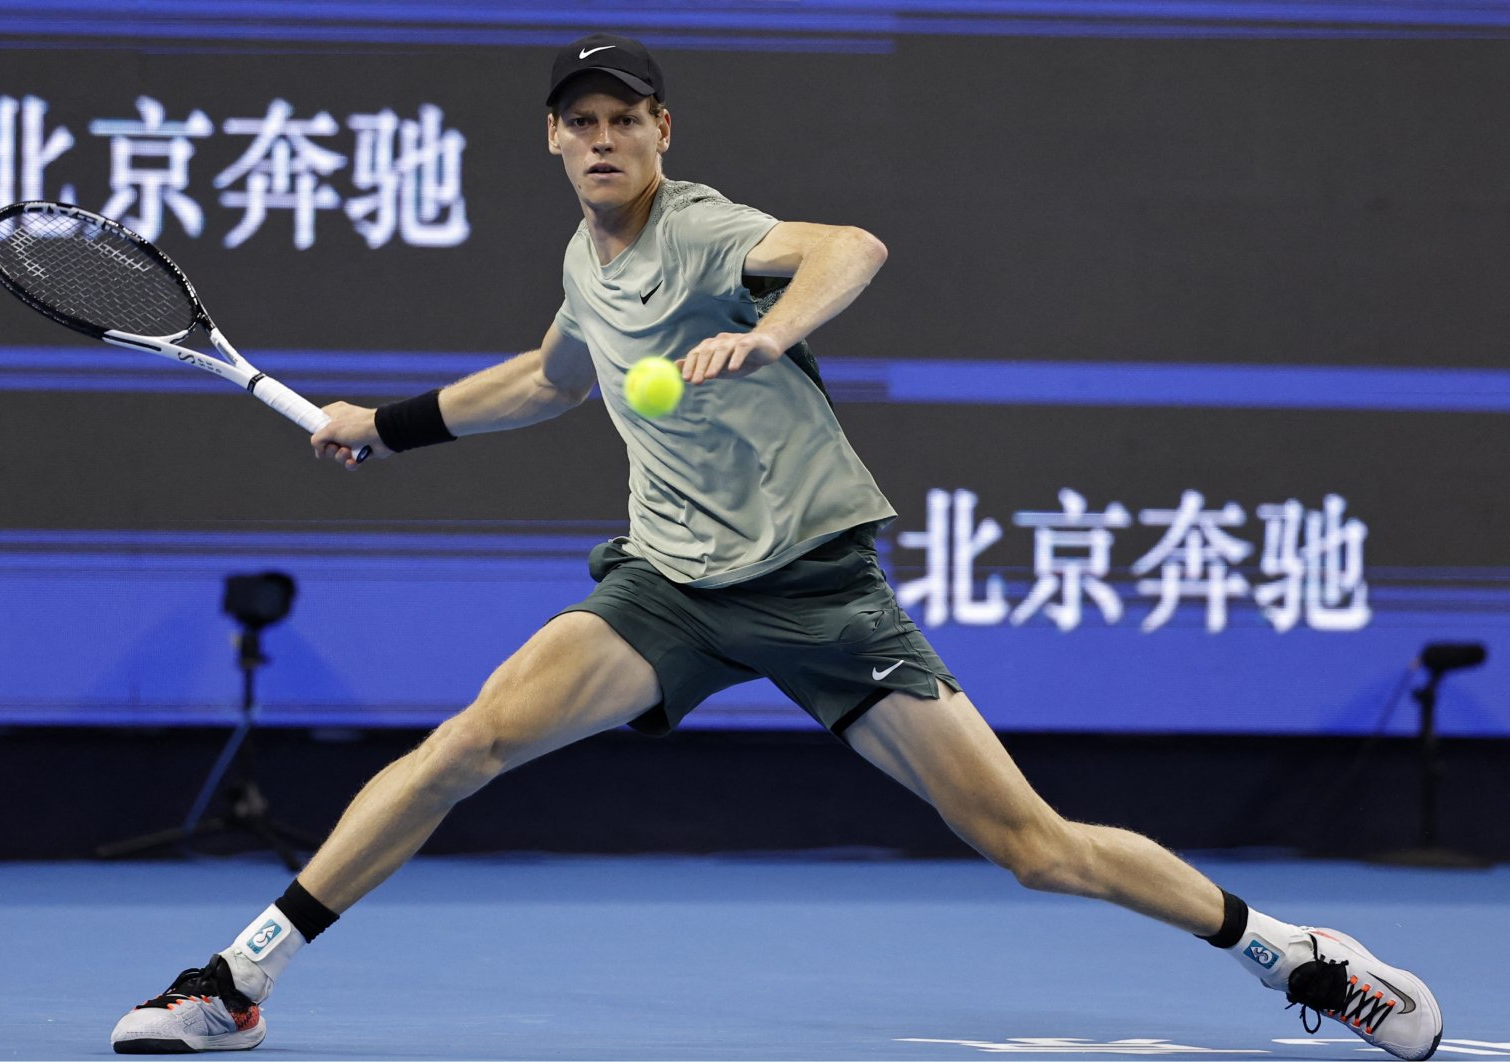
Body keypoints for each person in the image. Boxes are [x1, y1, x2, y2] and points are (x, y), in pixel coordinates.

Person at [109, 33, 1443, 1060]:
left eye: (625, 118)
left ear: (661, 130)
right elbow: (550, 376)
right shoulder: (587, 258)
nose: (603, 139)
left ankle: (1293, 955)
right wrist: (383, 428)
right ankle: (238, 980)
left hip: (817, 594)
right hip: (669, 589)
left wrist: (775, 326)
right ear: (556, 146)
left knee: (1037, 847)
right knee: (467, 744)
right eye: (581, 123)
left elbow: (850, 244)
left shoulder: (702, 228)